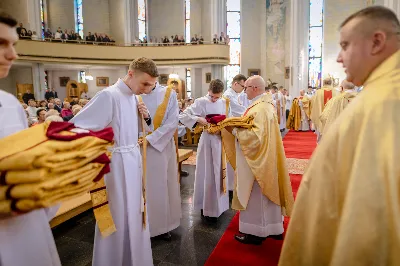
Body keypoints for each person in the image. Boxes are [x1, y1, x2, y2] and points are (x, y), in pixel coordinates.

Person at [279, 6, 400, 265]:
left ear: (377, 41)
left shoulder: (385, 101)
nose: (340, 58)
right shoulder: (379, 93)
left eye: (345, 45)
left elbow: (371, 216)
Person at [71, 57, 159, 266]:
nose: (147, 90)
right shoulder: (108, 96)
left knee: (135, 215)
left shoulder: (135, 98)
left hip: (133, 160)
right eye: (145, 83)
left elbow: (139, 130)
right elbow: (77, 127)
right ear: (130, 73)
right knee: (116, 217)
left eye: (151, 86)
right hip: (116, 165)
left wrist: (145, 119)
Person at [0, 11, 61, 266]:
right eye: (2, 44)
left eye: (13, 44)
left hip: (26, 226)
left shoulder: (9, 104)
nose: (13, 54)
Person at [224, 76, 294, 245]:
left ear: (254, 88)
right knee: (268, 195)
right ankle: (274, 227)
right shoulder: (264, 105)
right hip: (267, 156)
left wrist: (234, 131)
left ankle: (256, 232)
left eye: (246, 87)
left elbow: (255, 137)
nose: (244, 90)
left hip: (258, 160)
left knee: (257, 194)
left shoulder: (260, 108)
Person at [179, 79, 230, 222]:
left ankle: (219, 206)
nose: (214, 99)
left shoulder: (225, 102)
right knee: (206, 172)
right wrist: (198, 119)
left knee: (219, 172)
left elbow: (230, 119)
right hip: (207, 140)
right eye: (212, 96)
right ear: (209, 91)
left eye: (217, 97)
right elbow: (183, 115)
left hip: (220, 140)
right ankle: (206, 207)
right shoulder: (201, 101)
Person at [140, 82, 181, 240]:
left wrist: (151, 139)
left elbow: (172, 122)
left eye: (146, 84)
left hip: (160, 147)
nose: (143, 89)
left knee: (160, 186)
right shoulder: (134, 91)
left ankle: (162, 227)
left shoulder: (168, 93)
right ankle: (141, 225)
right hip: (137, 147)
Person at [223, 74, 247, 191]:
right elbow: (239, 110)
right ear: (236, 84)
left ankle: (233, 184)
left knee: (234, 156)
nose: (243, 89)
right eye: (243, 86)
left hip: (233, 127)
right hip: (228, 129)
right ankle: (230, 186)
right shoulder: (228, 95)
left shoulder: (234, 94)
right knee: (230, 156)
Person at [310, 76, 338, 141]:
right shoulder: (336, 92)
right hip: (332, 118)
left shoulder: (318, 92)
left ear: (323, 83)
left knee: (321, 136)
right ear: (331, 83)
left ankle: (320, 148)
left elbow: (313, 103)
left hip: (320, 117)